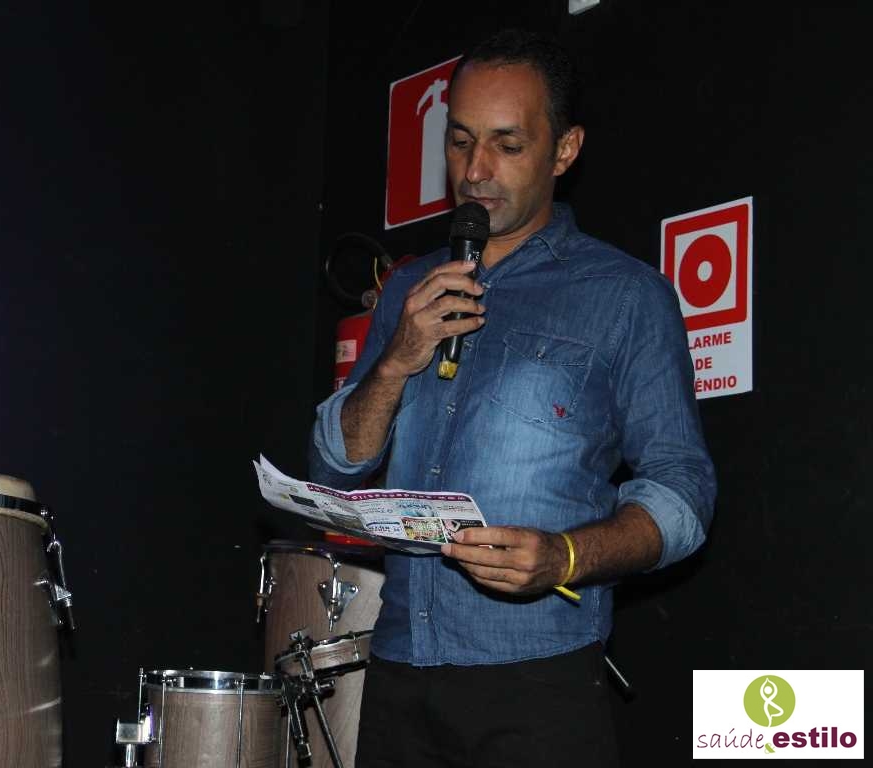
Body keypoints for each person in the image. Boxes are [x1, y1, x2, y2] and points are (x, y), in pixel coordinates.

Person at [307, 28, 716, 767]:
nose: (476, 171)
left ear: (564, 150)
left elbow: (684, 494)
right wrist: (397, 358)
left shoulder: (625, 296)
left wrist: (566, 556)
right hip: (398, 670)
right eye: (461, 141)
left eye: (508, 145)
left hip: (538, 680)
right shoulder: (408, 287)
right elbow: (335, 467)